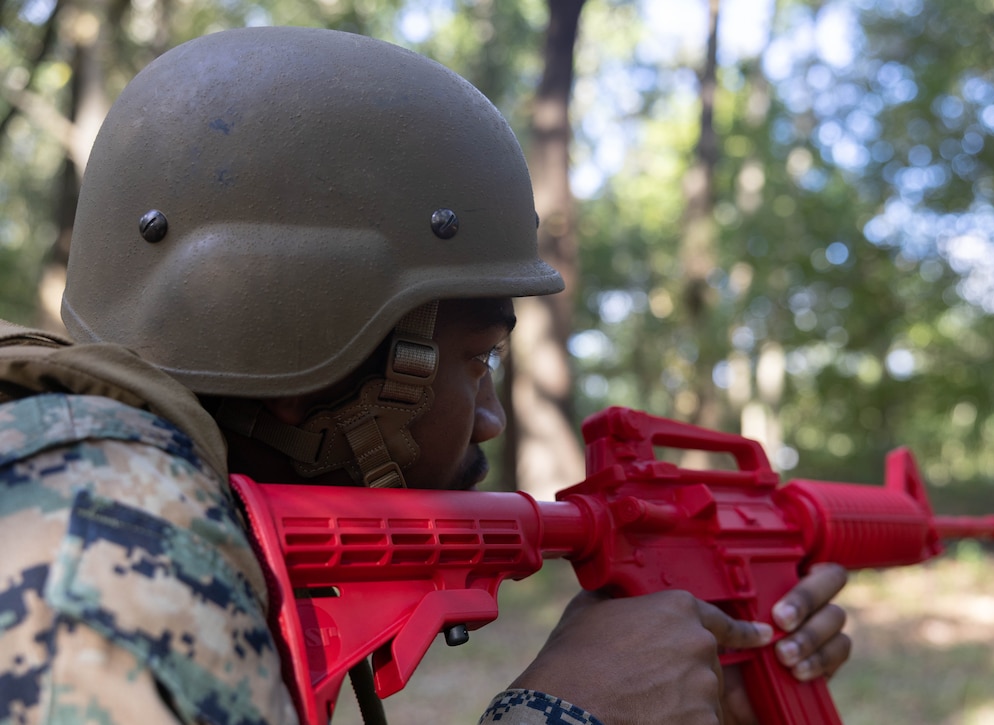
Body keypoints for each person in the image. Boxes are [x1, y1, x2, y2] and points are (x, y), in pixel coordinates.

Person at [0, 26, 849, 725]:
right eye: (476, 358)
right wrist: (566, 713)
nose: (490, 418)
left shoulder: (111, 488)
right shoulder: (100, 554)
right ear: (316, 354)